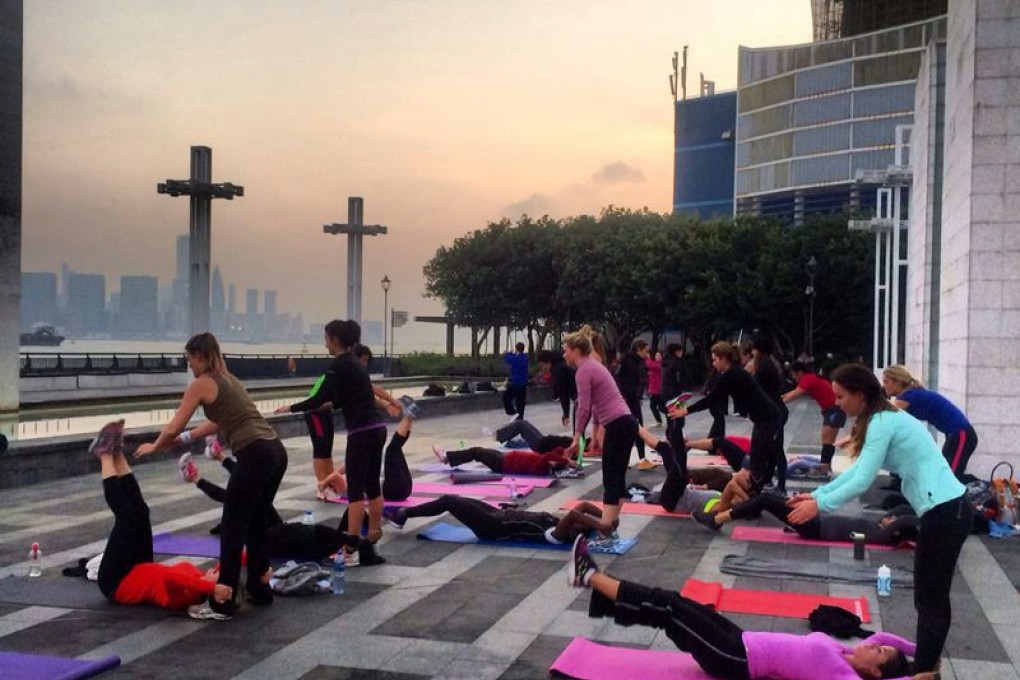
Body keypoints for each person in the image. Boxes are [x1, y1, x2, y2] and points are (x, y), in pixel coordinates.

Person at [787, 363, 972, 673]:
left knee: (930, 599)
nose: (837, 403)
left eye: (841, 396)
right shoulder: (879, 417)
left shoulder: (883, 421)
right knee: (929, 598)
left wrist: (820, 507)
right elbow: (859, 471)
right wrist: (817, 496)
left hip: (946, 511)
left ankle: (925, 670)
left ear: (860, 395)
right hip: (943, 509)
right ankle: (927, 665)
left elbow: (861, 481)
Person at [566, 536, 919, 680]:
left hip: (734, 659)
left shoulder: (843, 677)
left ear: (875, 674)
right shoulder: (848, 651)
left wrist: (910, 678)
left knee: (669, 607)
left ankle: (590, 576)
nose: (876, 644)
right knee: (675, 600)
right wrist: (921, 653)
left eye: (881, 653)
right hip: (739, 637)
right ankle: (598, 589)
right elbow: (886, 635)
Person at [135, 332, 288, 620]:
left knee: (233, 523)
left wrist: (156, 446)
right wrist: (185, 439)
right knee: (255, 519)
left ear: (200, 356)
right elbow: (218, 420)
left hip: (255, 453)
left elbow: (173, 423)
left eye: (190, 359)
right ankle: (259, 586)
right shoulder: (229, 379)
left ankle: (223, 601)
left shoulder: (201, 383)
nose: (189, 365)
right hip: (275, 450)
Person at [275, 320, 386, 559]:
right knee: (373, 486)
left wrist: (291, 407)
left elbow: (318, 398)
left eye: (326, 338)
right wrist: (327, 404)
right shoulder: (357, 365)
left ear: (335, 339)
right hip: (378, 427)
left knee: (355, 491)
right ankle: (374, 533)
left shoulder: (339, 365)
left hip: (362, 432)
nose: (325, 343)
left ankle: (350, 547)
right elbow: (345, 398)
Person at [92, 420, 222, 612]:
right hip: (140, 566)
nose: (217, 570)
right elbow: (229, 559)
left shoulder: (187, 597)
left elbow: (172, 579)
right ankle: (117, 453)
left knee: (126, 518)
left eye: (219, 576)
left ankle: (104, 454)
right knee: (142, 513)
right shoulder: (198, 578)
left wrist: (211, 588)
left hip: (116, 581)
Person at [182, 453, 384, 565]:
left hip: (272, 538)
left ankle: (201, 473)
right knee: (249, 491)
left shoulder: (330, 544)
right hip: (282, 533)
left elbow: (227, 497)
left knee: (241, 495)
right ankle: (216, 459)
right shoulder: (332, 541)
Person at [670, 342, 782, 498]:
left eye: (715, 359)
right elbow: (716, 397)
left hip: (768, 419)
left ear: (723, 359)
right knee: (760, 457)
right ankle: (760, 492)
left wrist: (685, 411)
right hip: (764, 418)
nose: (713, 363)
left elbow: (712, 398)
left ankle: (757, 496)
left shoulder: (732, 374)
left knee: (759, 459)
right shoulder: (734, 373)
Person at [564, 325, 638, 530]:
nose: (564, 354)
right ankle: (612, 524)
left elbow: (583, 408)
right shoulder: (594, 364)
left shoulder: (584, 370)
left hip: (618, 425)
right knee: (617, 478)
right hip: (625, 423)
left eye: (566, 350)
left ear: (576, 350)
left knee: (611, 478)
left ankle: (606, 527)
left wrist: (577, 436)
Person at [696, 490, 920, 544]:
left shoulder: (879, 534)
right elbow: (900, 512)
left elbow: (905, 521)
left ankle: (716, 520)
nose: (889, 519)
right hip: (815, 521)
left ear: (897, 531)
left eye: (892, 521)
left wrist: (926, 523)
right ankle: (721, 517)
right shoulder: (879, 526)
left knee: (765, 498)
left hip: (813, 527)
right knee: (770, 496)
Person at [385, 495, 612, 545]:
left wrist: (600, 526)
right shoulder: (558, 524)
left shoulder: (556, 536)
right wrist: (607, 516)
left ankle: (403, 515)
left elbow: (574, 514)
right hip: (498, 515)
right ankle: (403, 515)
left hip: (492, 528)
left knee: (449, 501)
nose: (580, 519)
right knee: (461, 499)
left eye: (582, 523)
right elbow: (580, 507)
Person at [882, 364, 977, 481]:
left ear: (897, 382)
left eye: (886, 382)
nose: (884, 386)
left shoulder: (908, 396)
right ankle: (981, 489)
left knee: (950, 479)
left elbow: (886, 416)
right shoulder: (911, 394)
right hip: (955, 436)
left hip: (962, 435)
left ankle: (986, 490)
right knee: (943, 475)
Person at [782, 361, 846, 476]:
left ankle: (824, 468)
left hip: (835, 409)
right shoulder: (810, 378)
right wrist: (779, 399)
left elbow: (797, 393)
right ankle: (825, 466)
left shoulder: (808, 378)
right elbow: (794, 392)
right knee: (826, 439)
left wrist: (780, 403)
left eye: (794, 374)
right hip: (830, 410)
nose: (793, 377)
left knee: (828, 440)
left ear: (800, 372)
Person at [750, 338, 789, 492]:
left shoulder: (765, 366)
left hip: (774, 413)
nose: (752, 353)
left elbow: (754, 386)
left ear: (758, 350)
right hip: (774, 411)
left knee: (775, 450)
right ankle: (769, 481)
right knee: (771, 449)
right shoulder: (771, 364)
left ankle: (780, 485)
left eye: (754, 350)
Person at [618, 339, 655, 469]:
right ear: (639, 349)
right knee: (633, 429)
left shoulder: (638, 361)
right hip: (629, 399)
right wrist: (626, 394)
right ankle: (631, 459)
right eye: (645, 350)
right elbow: (620, 378)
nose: (647, 353)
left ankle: (639, 458)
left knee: (636, 428)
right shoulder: (628, 361)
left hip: (634, 398)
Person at [432, 443, 573, 476]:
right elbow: (556, 451)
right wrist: (566, 453)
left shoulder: (542, 468)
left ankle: (447, 457)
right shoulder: (546, 462)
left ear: (554, 464)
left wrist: (566, 461)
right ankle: (448, 457)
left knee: (476, 452)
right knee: (480, 450)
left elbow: (549, 455)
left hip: (503, 464)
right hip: (505, 458)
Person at [660, 342, 688, 460]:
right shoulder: (676, 363)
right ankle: (675, 440)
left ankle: (671, 438)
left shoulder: (665, 362)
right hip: (675, 394)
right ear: (677, 351)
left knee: (670, 418)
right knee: (678, 420)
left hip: (665, 393)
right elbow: (680, 379)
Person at [538, 349, 576, 428]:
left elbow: (563, 393)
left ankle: (579, 440)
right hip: (579, 396)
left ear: (548, 363)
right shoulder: (560, 366)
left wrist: (566, 414)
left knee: (579, 427)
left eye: (542, 366)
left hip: (580, 396)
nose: (542, 369)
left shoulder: (558, 370)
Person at [485, 418, 573, 453]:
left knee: (520, 424)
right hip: (544, 440)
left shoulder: (575, 446)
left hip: (540, 445)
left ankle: (498, 435)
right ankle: (499, 434)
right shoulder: (576, 443)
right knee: (523, 422)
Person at [503, 341, 530, 421]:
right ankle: (520, 417)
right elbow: (515, 357)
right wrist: (512, 354)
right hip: (523, 383)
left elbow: (507, 359)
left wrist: (507, 353)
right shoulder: (525, 358)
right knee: (520, 402)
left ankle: (512, 412)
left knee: (506, 398)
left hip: (515, 383)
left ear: (516, 348)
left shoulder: (515, 359)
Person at [645, 349, 665, 427]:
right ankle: (659, 421)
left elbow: (649, 365)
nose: (657, 357)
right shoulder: (656, 364)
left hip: (659, 390)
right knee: (654, 406)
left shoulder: (660, 365)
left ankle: (669, 418)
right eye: (656, 355)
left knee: (660, 406)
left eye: (659, 355)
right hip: (655, 389)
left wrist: (647, 358)